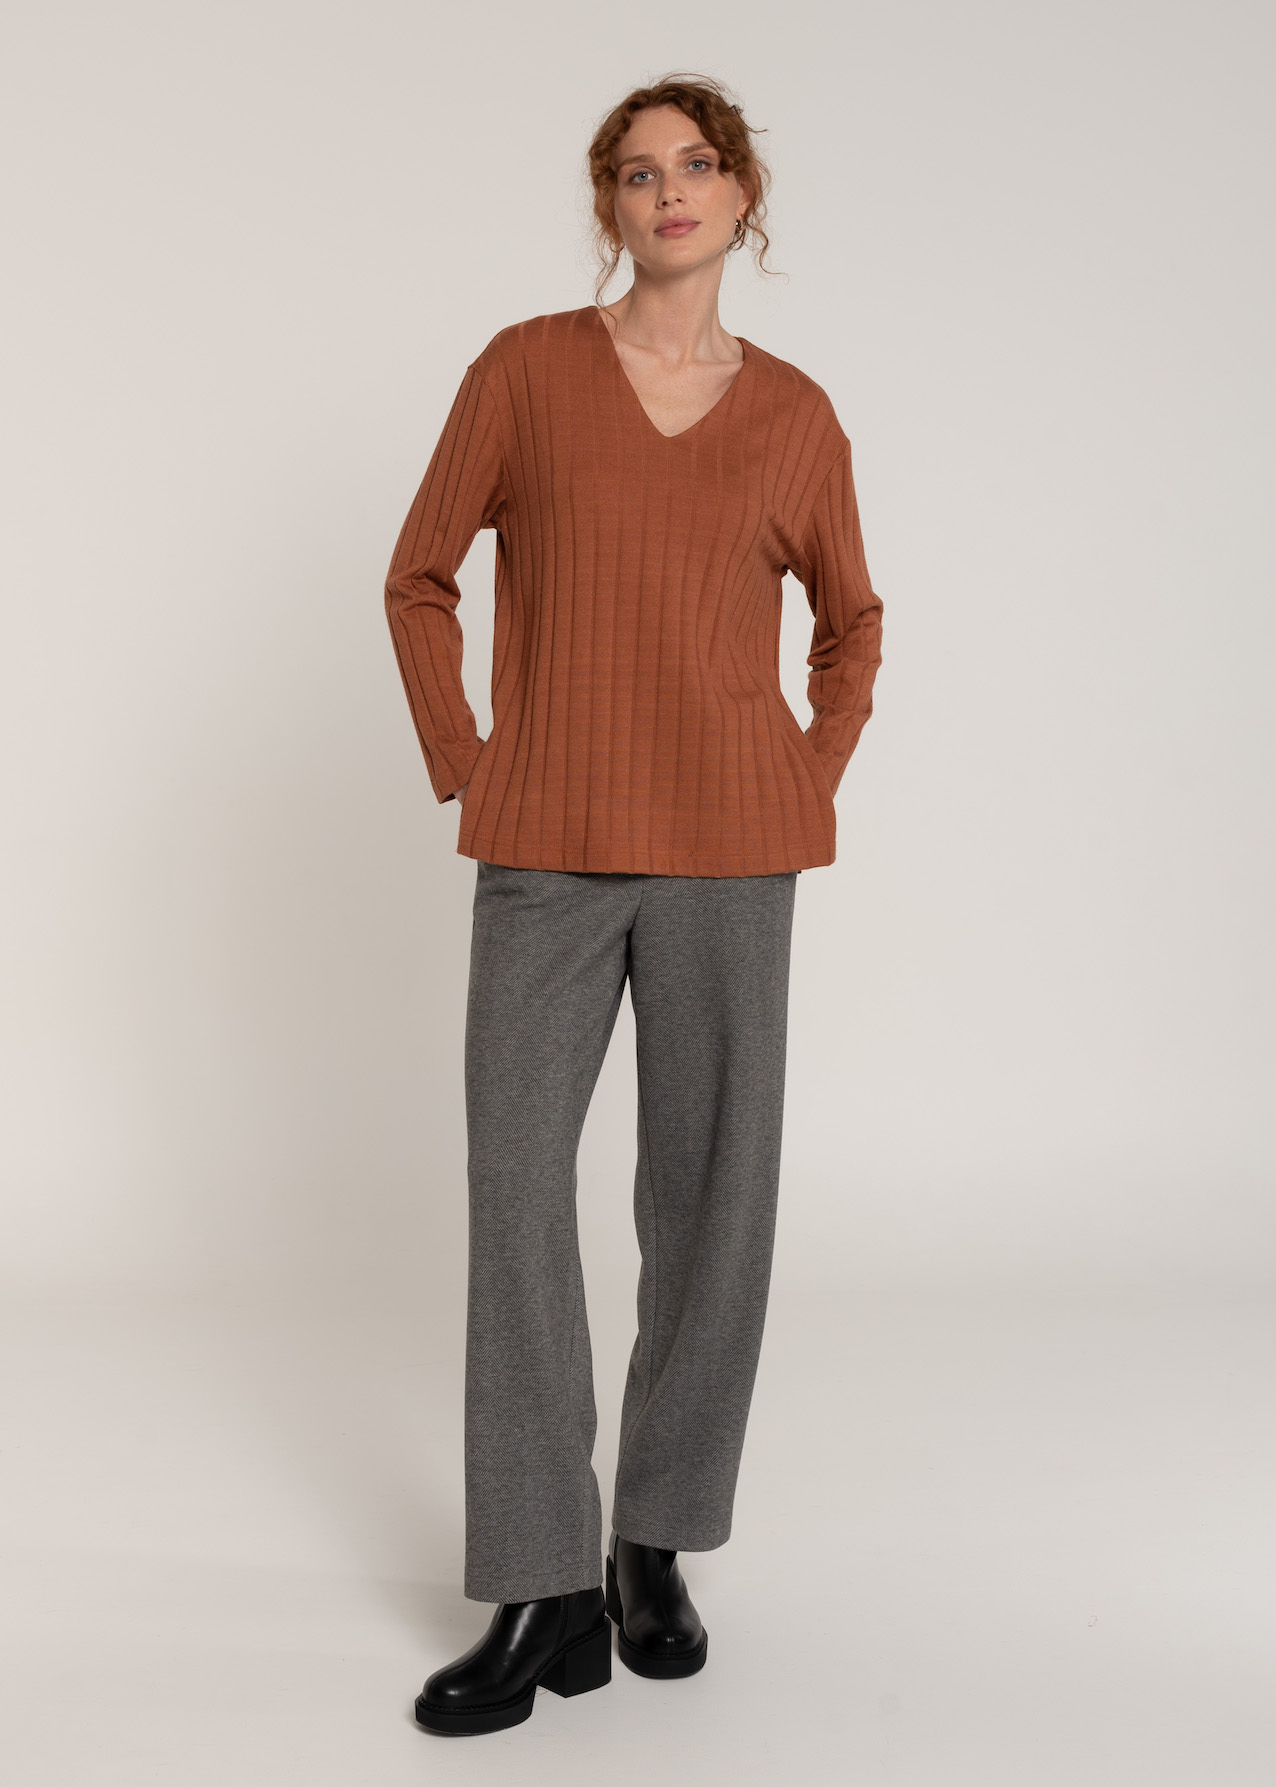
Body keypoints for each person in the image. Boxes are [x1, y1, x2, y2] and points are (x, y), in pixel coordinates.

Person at [384, 72, 884, 1737]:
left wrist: (805, 775)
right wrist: (469, 755)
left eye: (696, 164)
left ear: (743, 197)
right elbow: (419, 572)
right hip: (547, 845)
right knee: (517, 1189)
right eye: (635, 171)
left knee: (712, 1200)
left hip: (734, 854)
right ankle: (542, 1584)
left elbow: (853, 626)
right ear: (608, 206)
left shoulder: (796, 416)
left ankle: (653, 1539)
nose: (667, 191)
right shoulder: (525, 373)